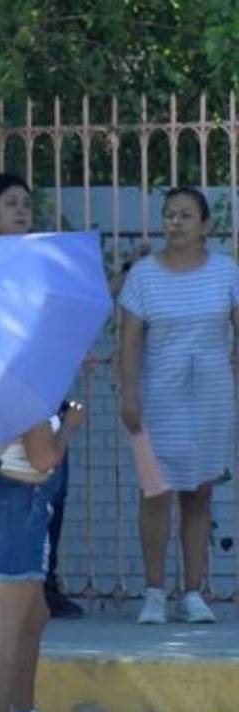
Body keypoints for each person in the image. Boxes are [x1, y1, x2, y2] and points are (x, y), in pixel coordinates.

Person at [118, 187, 238, 625]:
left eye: (186, 215)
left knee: (199, 493)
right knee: (156, 491)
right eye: (169, 215)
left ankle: (192, 593)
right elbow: (128, 340)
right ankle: (153, 593)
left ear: (204, 225)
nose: (176, 223)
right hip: (159, 395)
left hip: (210, 395)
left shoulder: (226, 271)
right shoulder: (144, 276)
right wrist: (128, 395)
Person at [0, 173, 83, 621]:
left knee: (51, 482)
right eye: (9, 203)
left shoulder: (41, 262)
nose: (20, 210)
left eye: (26, 204)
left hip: (42, 380)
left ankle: (43, 581)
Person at [0, 406, 84, 712]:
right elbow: (44, 459)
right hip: (19, 507)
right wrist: (68, 427)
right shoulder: (26, 398)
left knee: (34, 617)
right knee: (10, 624)